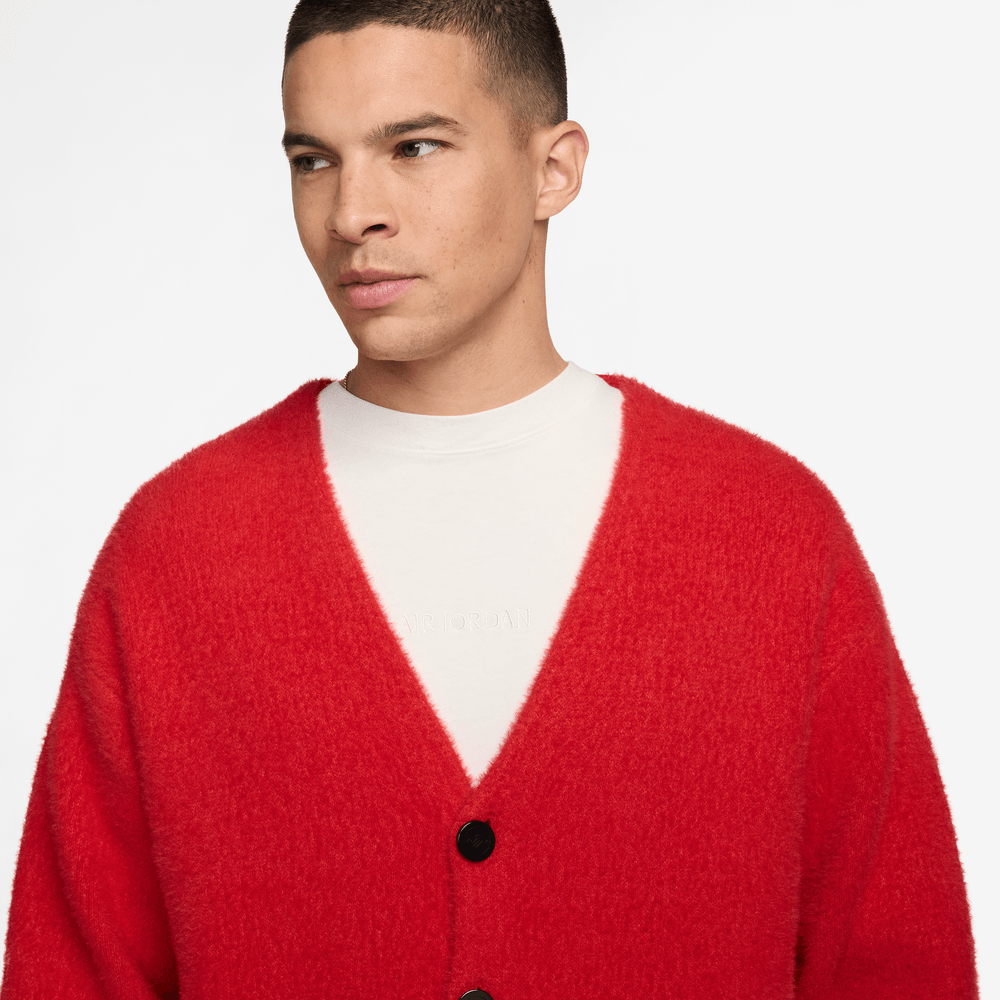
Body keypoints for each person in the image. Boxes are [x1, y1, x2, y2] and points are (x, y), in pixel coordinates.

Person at [0, 0, 978, 996]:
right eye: (313, 160)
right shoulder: (179, 553)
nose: (350, 214)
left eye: (413, 147)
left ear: (554, 169)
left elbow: (901, 967)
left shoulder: (769, 536)